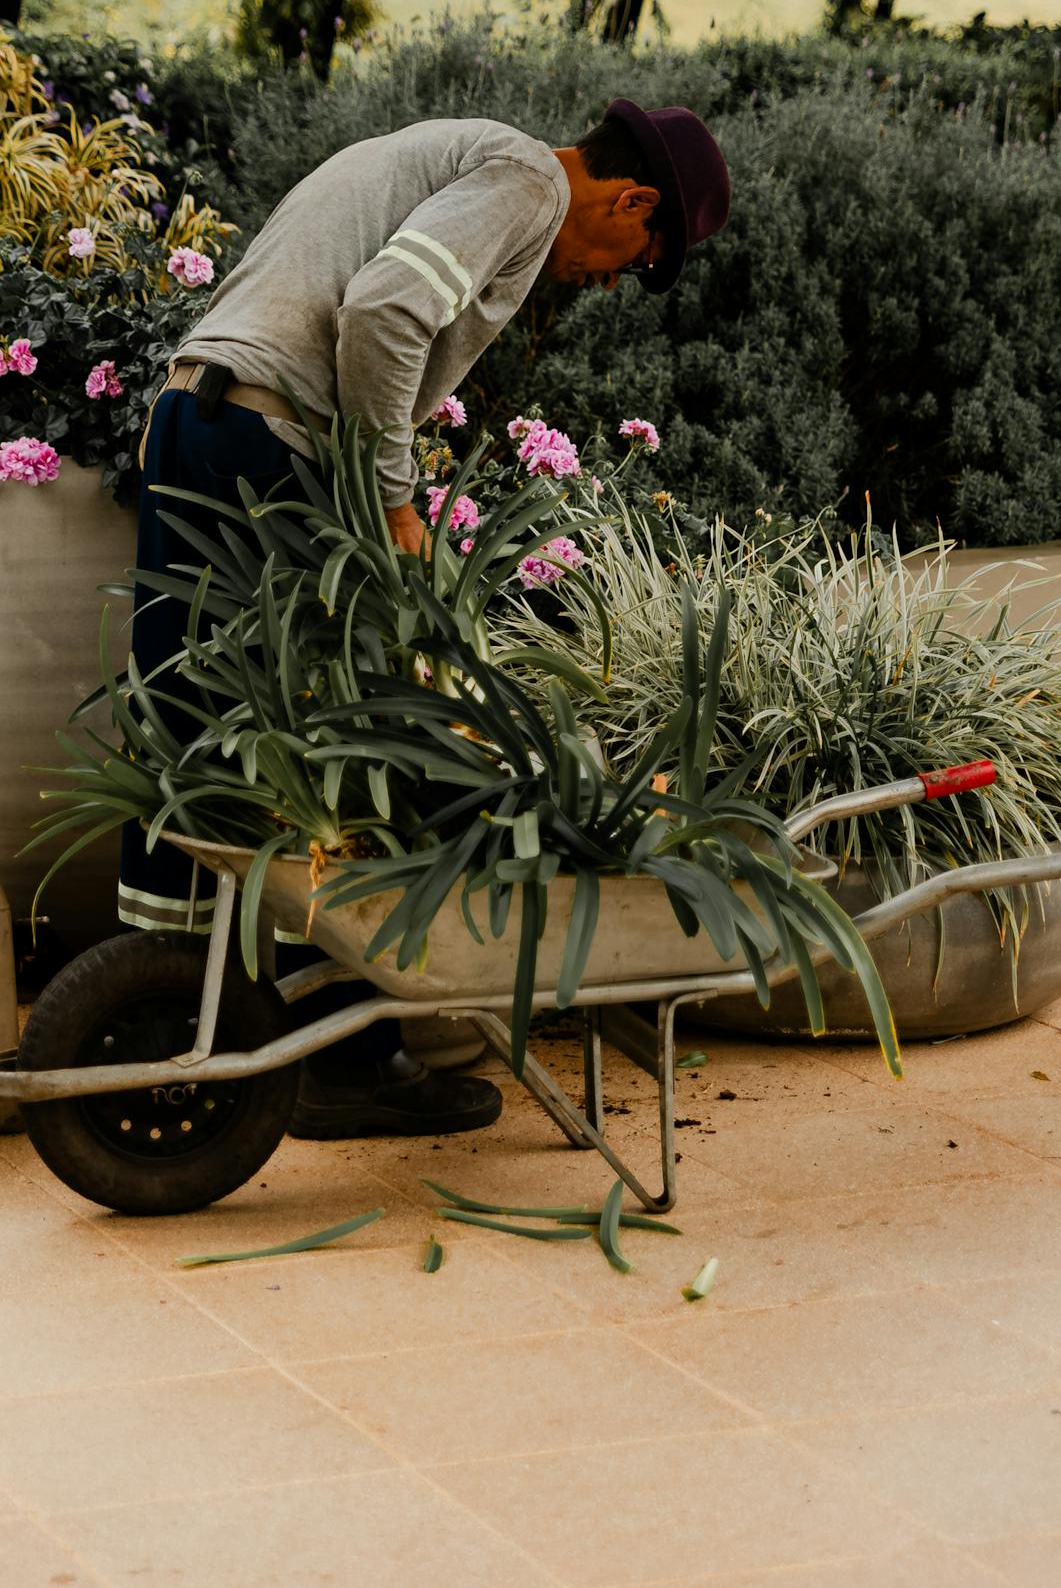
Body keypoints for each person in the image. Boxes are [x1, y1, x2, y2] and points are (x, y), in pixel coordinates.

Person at [123, 97, 732, 1138]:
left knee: (184, 730)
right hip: (275, 443)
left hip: (197, 412)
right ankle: (336, 1058)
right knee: (343, 744)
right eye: (637, 257)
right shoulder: (531, 183)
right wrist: (395, 502)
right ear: (630, 200)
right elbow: (385, 309)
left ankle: (145, 1028)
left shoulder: (448, 150)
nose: (608, 277)